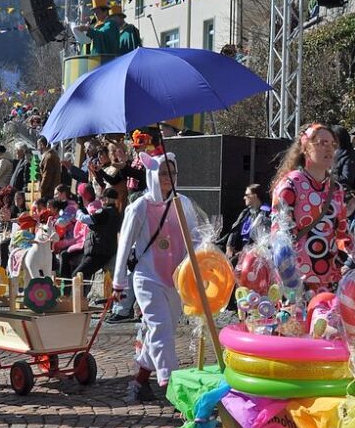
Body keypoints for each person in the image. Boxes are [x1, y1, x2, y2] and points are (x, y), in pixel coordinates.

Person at [113, 152, 202, 401]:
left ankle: (140, 381)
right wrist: (119, 282)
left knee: (161, 332)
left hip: (176, 280)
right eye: (163, 173)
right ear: (152, 174)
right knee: (160, 328)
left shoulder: (182, 203)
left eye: (172, 173)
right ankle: (174, 388)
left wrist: (203, 264)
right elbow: (125, 244)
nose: (168, 178)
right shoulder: (139, 206)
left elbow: (195, 238)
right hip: (147, 277)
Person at [272, 124, 348, 294]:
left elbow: (343, 234)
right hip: (296, 282)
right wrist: (289, 278)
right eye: (322, 143)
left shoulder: (336, 190)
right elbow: (279, 235)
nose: (329, 148)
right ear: (305, 147)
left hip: (330, 281)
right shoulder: (290, 185)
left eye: (332, 144)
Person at [72, 188, 122, 281]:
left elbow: (85, 219)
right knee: (83, 278)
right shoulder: (116, 213)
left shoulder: (105, 212)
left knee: (77, 277)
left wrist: (78, 210)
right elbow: (96, 226)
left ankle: (70, 295)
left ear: (107, 199)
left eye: (102, 199)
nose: (101, 201)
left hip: (98, 252)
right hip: (104, 250)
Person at [221, 184, 269, 260]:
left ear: (255, 196)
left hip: (256, 254)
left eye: (247, 195)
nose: (244, 197)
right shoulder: (246, 212)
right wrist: (229, 245)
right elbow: (235, 229)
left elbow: (264, 239)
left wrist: (246, 252)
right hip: (242, 251)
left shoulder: (266, 213)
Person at [331, 125, 355, 193]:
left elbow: (347, 179)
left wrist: (327, 177)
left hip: (343, 195)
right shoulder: (331, 152)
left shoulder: (350, 155)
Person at [37, 137, 61, 202]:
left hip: (48, 193)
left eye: (38, 146)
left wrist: (40, 191)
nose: (38, 148)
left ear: (42, 145)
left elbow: (46, 176)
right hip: (51, 191)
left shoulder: (48, 157)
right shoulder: (52, 154)